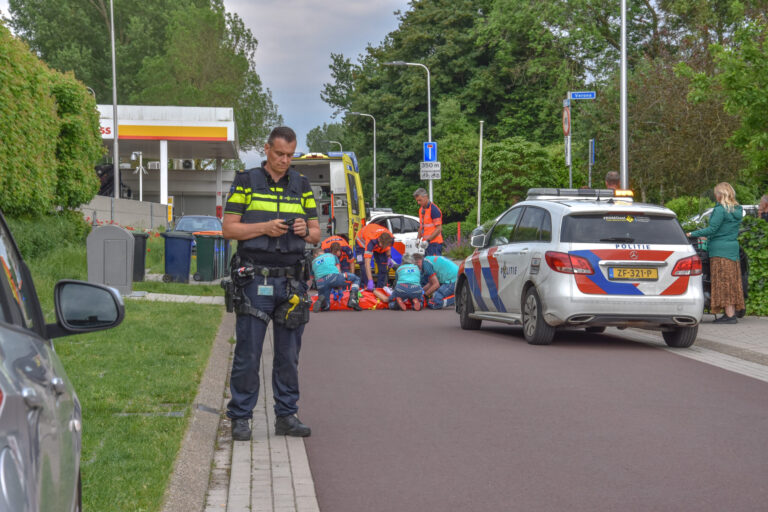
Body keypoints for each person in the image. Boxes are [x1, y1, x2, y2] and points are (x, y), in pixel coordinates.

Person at [222, 126, 320, 441]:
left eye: (290, 155)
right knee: (248, 353)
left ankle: (286, 416)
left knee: (288, 355)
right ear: (267, 150)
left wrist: (306, 229)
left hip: (292, 282)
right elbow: (229, 229)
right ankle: (240, 417)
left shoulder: (302, 185)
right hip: (255, 279)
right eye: (279, 154)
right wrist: (265, 227)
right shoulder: (245, 181)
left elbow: (318, 234)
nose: (284, 160)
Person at [687, 182, 744, 324]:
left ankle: (729, 316)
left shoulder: (720, 210)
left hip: (719, 251)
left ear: (720, 195)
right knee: (731, 282)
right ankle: (730, 314)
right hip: (732, 249)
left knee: (722, 282)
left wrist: (691, 233)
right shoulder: (737, 209)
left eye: (715, 193)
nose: (714, 196)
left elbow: (712, 229)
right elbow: (724, 230)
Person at [311, 244, 361, 312]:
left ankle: (325, 304)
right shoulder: (332, 256)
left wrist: (305, 291)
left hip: (320, 283)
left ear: (315, 255)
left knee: (326, 306)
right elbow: (338, 271)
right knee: (356, 278)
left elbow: (310, 279)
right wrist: (340, 288)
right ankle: (353, 300)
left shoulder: (313, 263)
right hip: (333, 277)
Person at [354, 222, 394, 290]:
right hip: (361, 244)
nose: (384, 248)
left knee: (383, 267)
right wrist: (370, 280)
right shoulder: (371, 241)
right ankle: (366, 287)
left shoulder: (390, 238)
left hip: (378, 243)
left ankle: (380, 289)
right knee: (363, 267)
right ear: (379, 241)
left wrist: (389, 257)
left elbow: (388, 247)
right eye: (382, 246)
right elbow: (367, 263)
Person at [414, 188, 444, 255]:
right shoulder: (421, 210)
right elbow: (421, 226)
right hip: (427, 244)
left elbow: (439, 228)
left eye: (420, 200)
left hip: (435, 244)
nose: (418, 203)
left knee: (434, 264)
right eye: (417, 201)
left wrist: (428, 241)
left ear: (426, 197)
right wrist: (418, 239)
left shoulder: (434, 209)